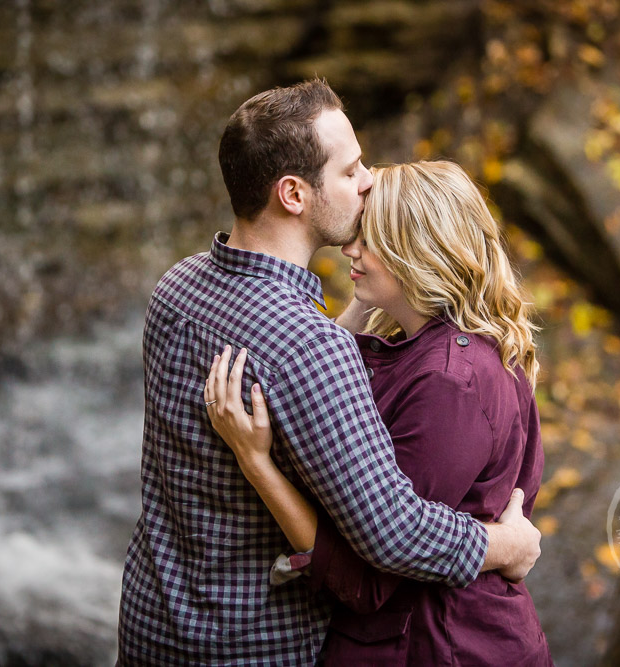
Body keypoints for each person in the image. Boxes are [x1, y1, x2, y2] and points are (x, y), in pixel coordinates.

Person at [117, 80, 541, 665]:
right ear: (293, 193)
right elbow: (394, 533)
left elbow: (293, 363)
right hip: (252, 645)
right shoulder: (313, 350)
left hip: (153, 623)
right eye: (350, 170)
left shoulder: (177, 288)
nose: (368, 179)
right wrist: (505, 545)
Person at [205, 160, 553, 665]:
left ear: (416, 255)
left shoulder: (450, 382)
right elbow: (336, 354)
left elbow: (368, 580)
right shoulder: (420, 342)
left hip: (436, 647)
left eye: (369, 240)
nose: (349, 248)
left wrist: (257, 464)